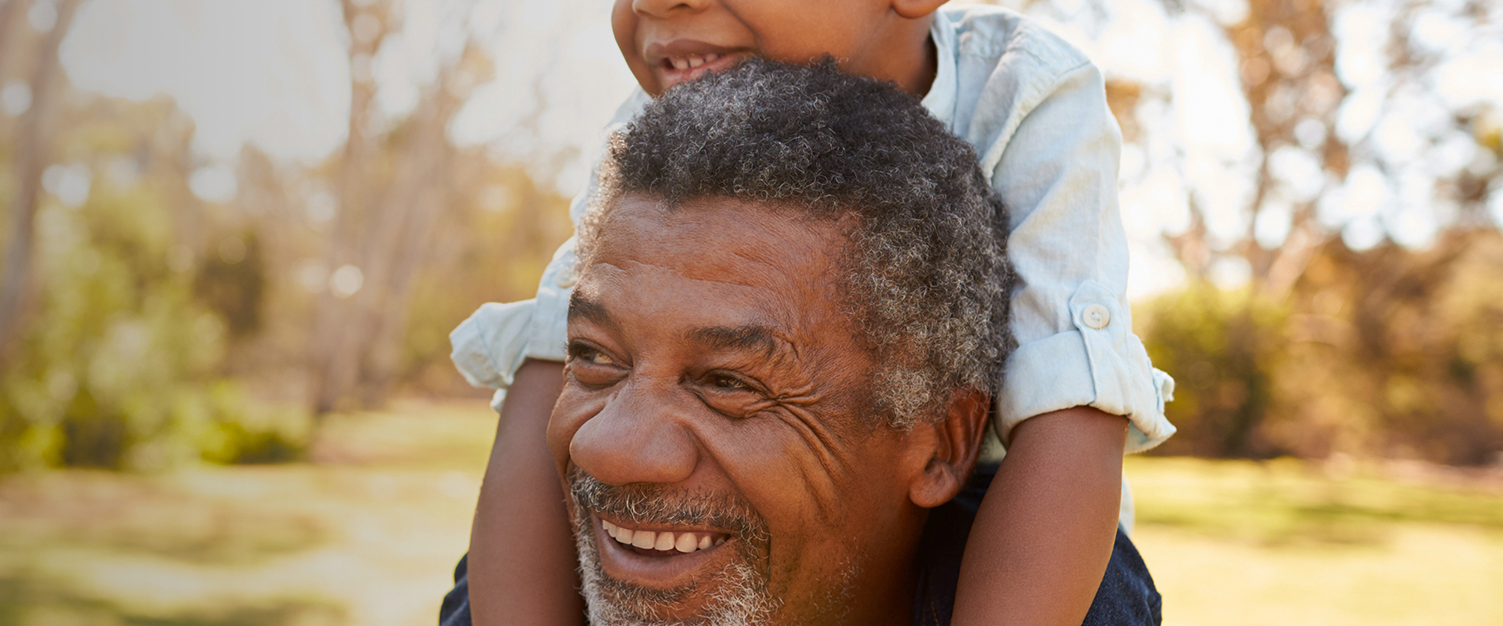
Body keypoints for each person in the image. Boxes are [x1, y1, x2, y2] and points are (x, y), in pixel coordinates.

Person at [452, 1, 1177, 624]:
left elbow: (1073, 400)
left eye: (729, 381)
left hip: (999, 503)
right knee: (490, 582)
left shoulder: (1025, 89)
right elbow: (548, 362)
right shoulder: (655, 124)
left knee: (1099, 582)